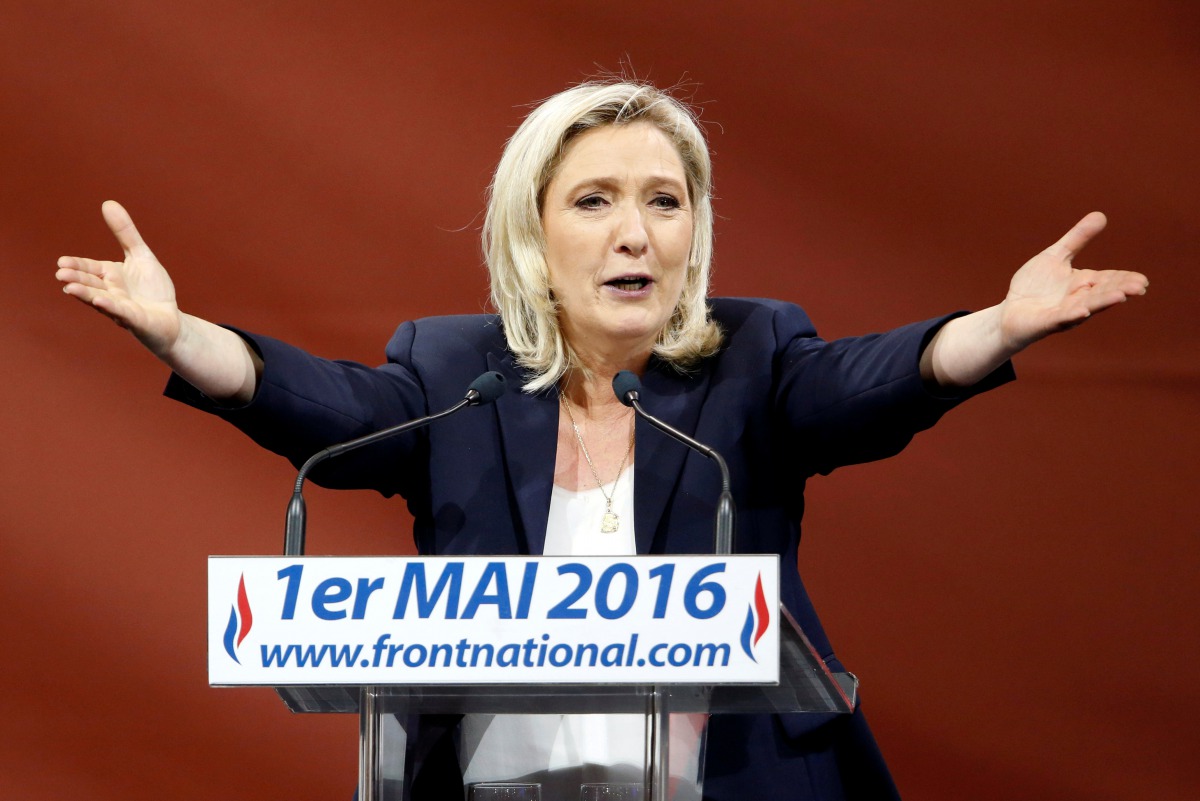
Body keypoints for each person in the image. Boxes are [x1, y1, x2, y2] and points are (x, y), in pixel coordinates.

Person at [55, 81, 1147, 800]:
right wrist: (181, 332)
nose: (637, 230)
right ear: (533, 236)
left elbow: (863, 389)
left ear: (694, 234)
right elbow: (327, 408)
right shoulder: (451, 372)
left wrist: (992, 330)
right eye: (596, 200)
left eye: (666, 201)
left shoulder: (754, 360)